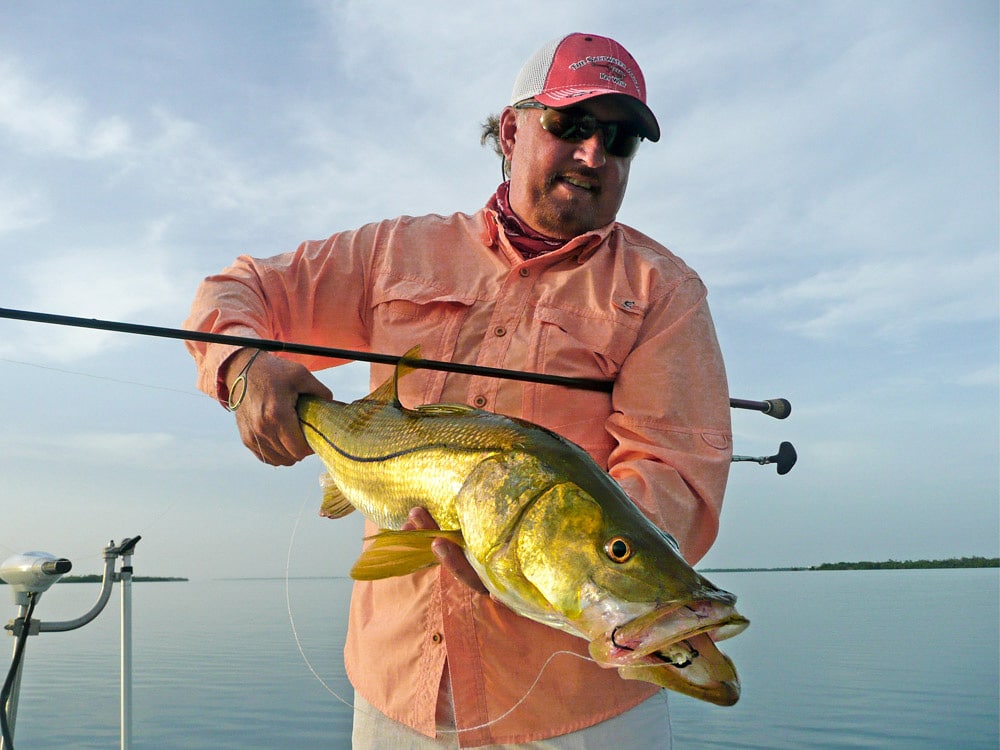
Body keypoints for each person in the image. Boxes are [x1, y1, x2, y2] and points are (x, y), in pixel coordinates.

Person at [184, 33, 732, 749]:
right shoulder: (395, 252)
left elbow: (678, 480)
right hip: (397, 694)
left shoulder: (664, 292)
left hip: (581, 712)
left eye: (621, 139)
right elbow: (234, 290)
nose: (594, 154)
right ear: (512, 130)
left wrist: (537, 558)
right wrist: (246, 369)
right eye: (570, 126)